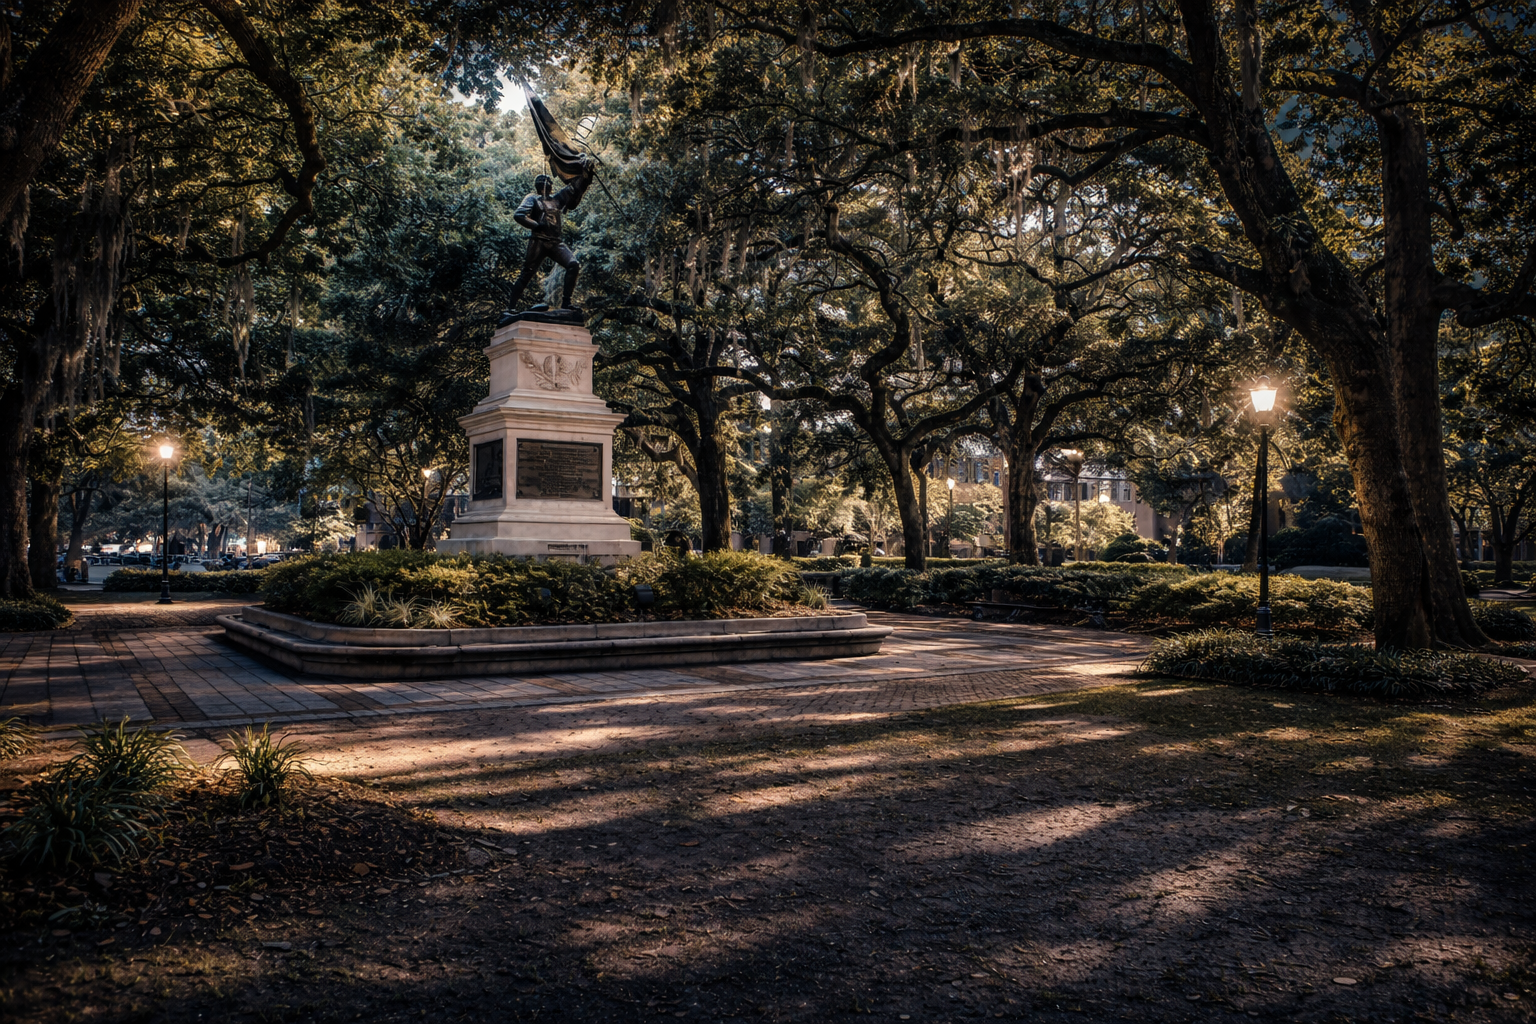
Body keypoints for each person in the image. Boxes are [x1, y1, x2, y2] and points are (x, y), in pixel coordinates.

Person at [502, 157, 595, 317]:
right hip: (538, 241)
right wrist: (536, 225)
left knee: (573, 265)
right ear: (538, 186)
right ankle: (510, 308)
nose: (546, 182)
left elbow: (575, 188)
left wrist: (586, 173)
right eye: (542, 180)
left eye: (547, 180)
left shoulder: (557, 199)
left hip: (555, 242)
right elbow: (519, 215)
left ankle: (567, 302)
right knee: (527, 273)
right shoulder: (532, 198)